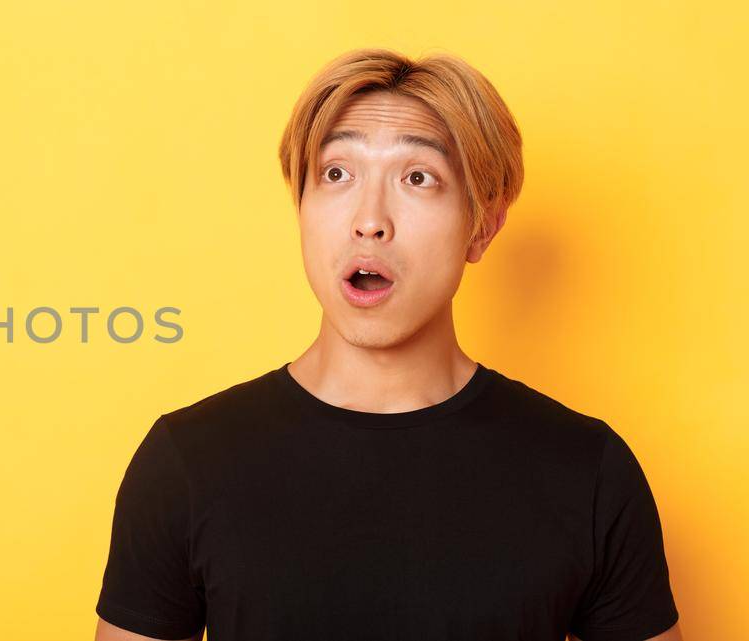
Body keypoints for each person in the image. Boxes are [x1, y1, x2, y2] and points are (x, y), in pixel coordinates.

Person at [93, 48, 683, 641]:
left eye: (417, 178)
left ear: (482, 226)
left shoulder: (589, 473)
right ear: (301, 206)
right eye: (337, 174)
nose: (369, 220)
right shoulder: (185, 463)